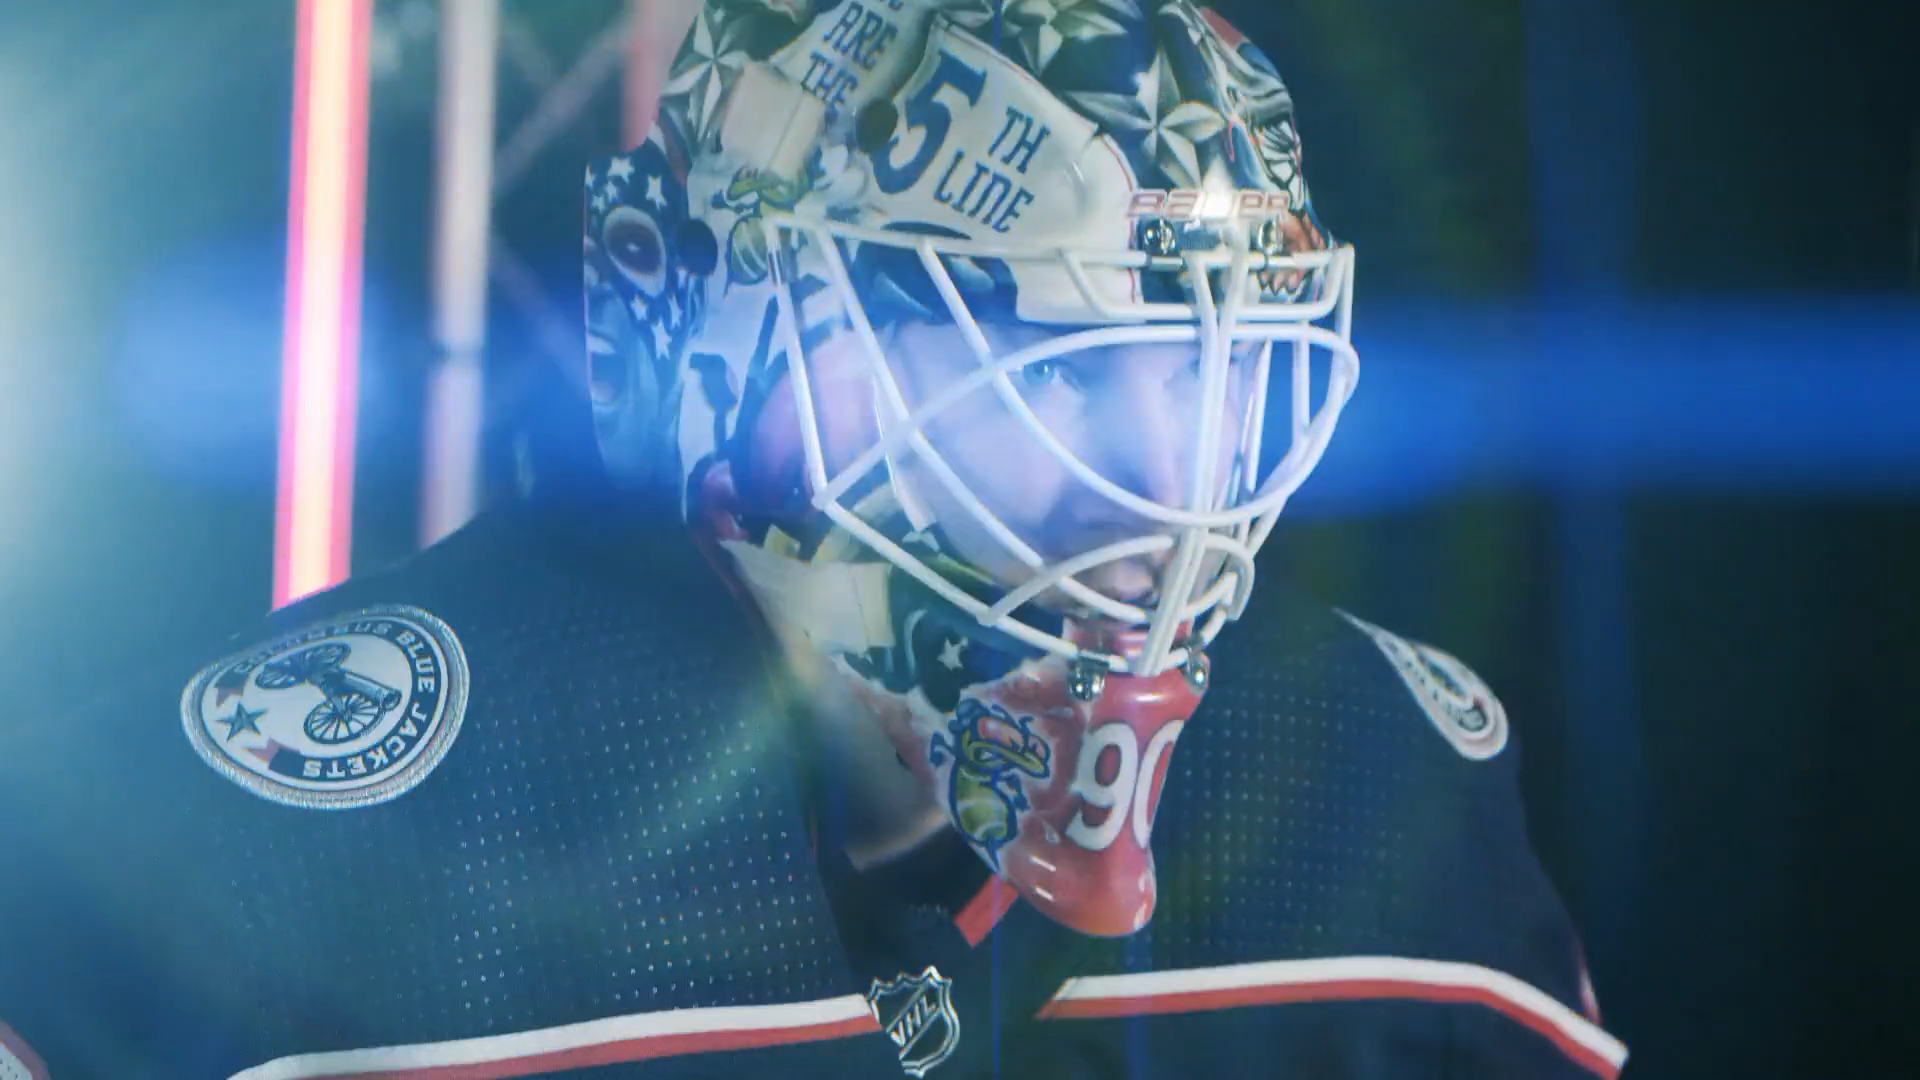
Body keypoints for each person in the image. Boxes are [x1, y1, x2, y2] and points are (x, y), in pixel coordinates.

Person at [0, 1, 1626, 1077]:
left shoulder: (1377, 790)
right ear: (757, 369)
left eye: (1214, 377)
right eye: (1054, 381)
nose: (1164, 499)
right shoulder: (267, 854)